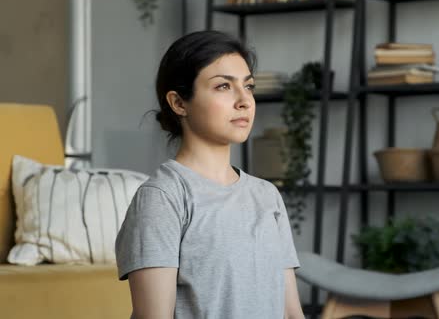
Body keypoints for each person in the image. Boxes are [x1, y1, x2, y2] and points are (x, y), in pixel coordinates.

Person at [115, 30, 304, 319]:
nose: (244, 101)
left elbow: (292, 313)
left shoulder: (267, 196)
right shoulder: (162, 198)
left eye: (249, 86)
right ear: (179, 103)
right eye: (223, 87)